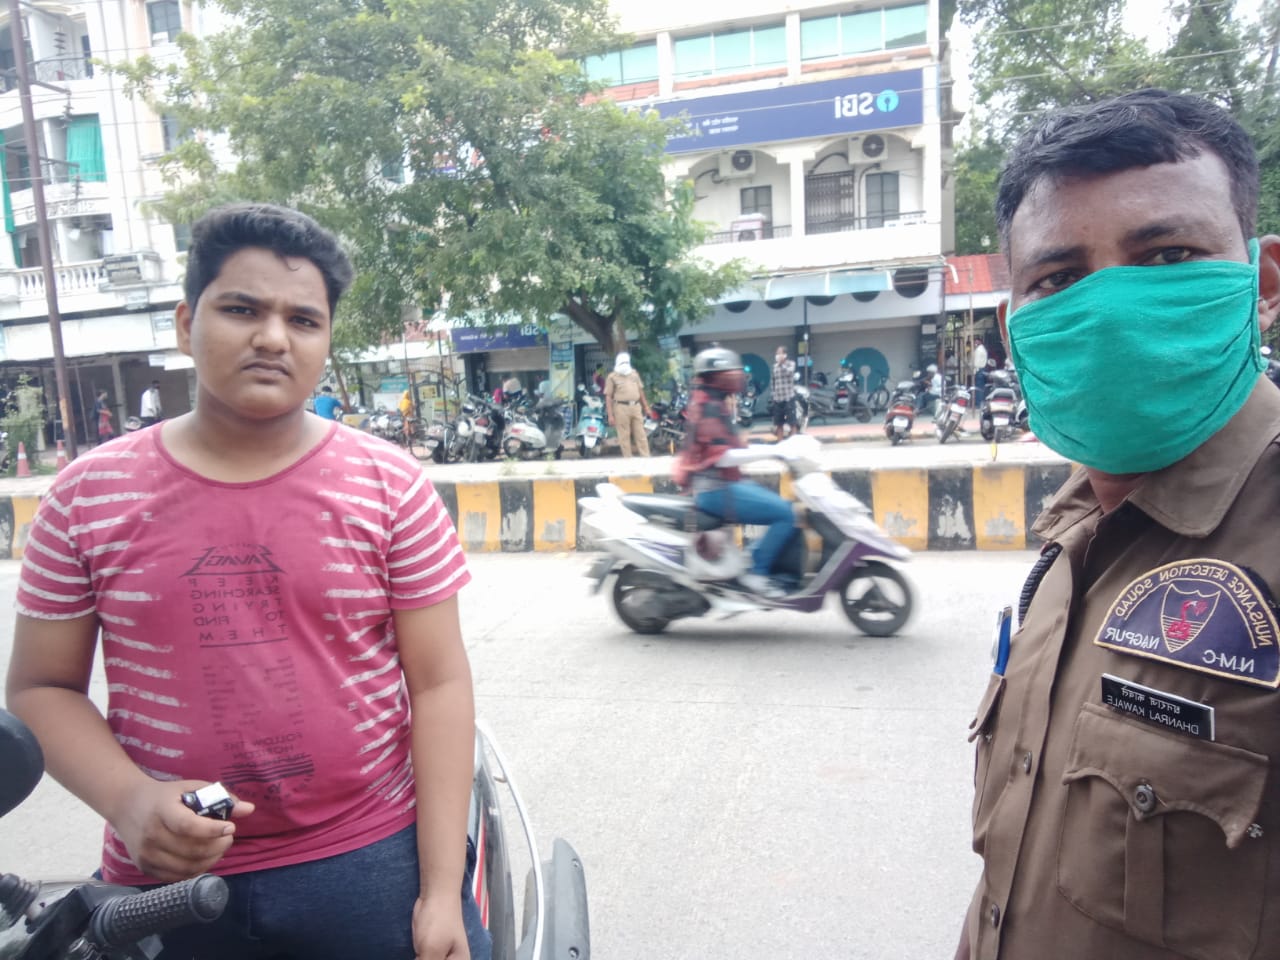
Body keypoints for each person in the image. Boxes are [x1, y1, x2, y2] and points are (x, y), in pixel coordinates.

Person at [5, 203, 490, 960]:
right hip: (162, 876)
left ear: (326, 341)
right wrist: (130, 802)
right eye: (241, 309)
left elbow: (438, 685)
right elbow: (41, 687)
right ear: (184, 324)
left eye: (303, 320)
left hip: (369, 859)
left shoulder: (390, 485)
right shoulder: (85, 496)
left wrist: (438, 892)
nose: (272, 337)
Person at [955, 90, 1280, 960]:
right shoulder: (1071, 534)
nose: (1108, 312)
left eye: (1168, 257)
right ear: (1014, 328)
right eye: (1058, 280)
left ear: (1264, 283)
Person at [674, 347, 796, 598]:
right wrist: (775, 451)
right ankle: (757, 573)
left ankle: (756, 561)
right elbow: (722, 457)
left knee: (783, 505)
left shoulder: (713, 401)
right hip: (716, 490)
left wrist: (771, 449)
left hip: (724, 484)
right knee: (785, 514)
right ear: (716, 376)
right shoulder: (708, 406)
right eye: (732, 373)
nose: (738, 377)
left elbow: (731, 448)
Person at [605, 350, 651, 457]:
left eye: (626, 362)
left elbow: (640, 391)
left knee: (641, 433)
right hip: (621, 408)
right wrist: (610, 415)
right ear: (617, 363)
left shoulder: (634, 374)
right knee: (624, 435)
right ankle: (628, 458)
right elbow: (608, 396)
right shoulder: (612, 377)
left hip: (636, 407)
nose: (624, 365)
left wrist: (646, 407)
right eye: (622, 363)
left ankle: (646, 457)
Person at [770, 345, 797, 440]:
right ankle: (780, 443)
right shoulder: (774, 366)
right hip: (778, 399)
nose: (778, 355)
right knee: (779, 424)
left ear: (785, 355)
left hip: (788, 398)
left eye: (779, 353)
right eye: (777, 353)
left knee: (792, 423)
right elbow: (773, 381)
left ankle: (793, 444)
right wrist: (773, 395)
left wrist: (782, 364)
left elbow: (789, 373)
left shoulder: (791, 364)